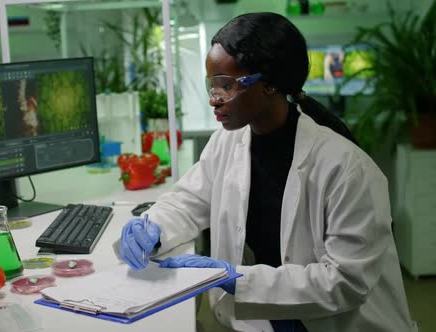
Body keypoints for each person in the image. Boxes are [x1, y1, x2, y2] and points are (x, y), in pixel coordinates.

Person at [117, 12, 415, 332]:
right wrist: (154, 226)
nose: (213, 99)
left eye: (226, 85)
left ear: (270, 84)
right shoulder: (227, 143)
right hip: (268, 319)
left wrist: (234, 279)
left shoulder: (347, 169)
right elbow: (189, 200)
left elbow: (345, 282)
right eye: (211, 84)